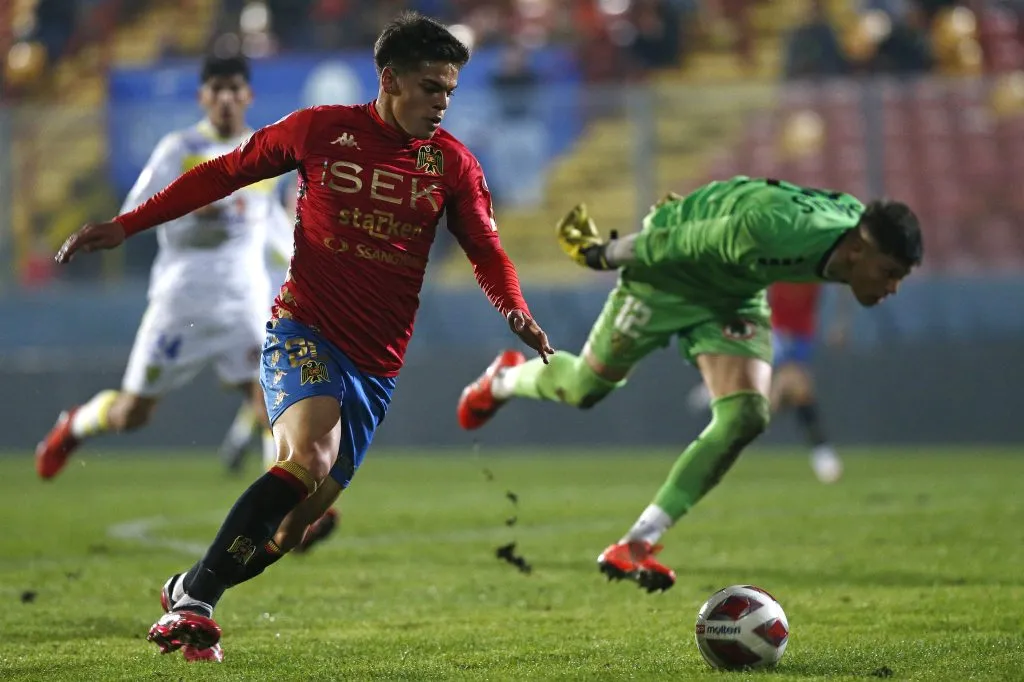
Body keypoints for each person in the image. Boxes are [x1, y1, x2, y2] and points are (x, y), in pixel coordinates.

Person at [55, 12, 553, 662]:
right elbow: (225, 172)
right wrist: (129, 225)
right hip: (305, 328)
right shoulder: (323, 130)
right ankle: (199, 607)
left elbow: (486, 249)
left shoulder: (452, 165)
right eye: (431, 87)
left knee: (293, 529)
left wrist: (512, 306)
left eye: (450, 91)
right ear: (389, 78)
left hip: (377, 365)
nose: (442, 103)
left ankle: (186, 587)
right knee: (308, 456)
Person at [457, 176, 922, 593]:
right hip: (668, 275)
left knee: (746, 414)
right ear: (859, 252)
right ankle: (505, 378)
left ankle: (637, 543)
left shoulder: (850, 230)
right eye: (889, 274)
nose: (893, 288)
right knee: (586, 388)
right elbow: (678, 242)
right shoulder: (772, 231)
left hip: (733, 291)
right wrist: (602, 253)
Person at [36, 55, 290, 482]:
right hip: (182, 300)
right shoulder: (180, 149)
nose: (226, 98)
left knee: (268, 403)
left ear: (249, 95)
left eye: (234, 89)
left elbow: (276, 230)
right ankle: (74, 425)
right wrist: (191, 207)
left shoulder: (262, 153)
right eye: (217, 89)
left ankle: (286, 508)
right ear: (202, 97)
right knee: (133, 414)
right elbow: (133, 210)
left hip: (244, 303)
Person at [686, 281, 848, 483]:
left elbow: (844, 282)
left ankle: (724, 394)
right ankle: (822, 452)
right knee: (799, 387)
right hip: (775, 329)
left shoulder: (818, 257)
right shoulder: (778, 256)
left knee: (773, 401)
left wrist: (841, 322)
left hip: (804, 335)